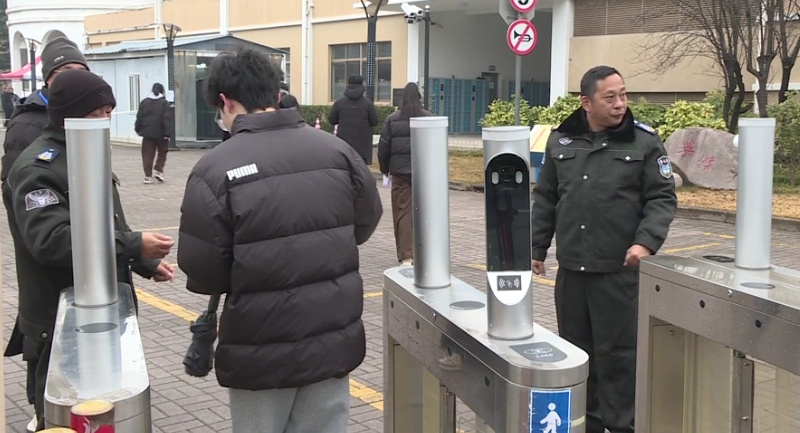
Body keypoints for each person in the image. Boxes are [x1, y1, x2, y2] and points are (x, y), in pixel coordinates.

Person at [177, 47, 382, 433]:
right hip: (331, 334)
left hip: (259, 344)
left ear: (225, 102)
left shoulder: (214, 169)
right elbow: (366, 221)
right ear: (276, 93)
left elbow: (203, 269)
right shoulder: (337, 151)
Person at [5, 69, 176, 431]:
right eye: (95, 113)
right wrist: (133, 244)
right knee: (63, 416)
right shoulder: (38, 169)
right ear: (68, 116)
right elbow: (52, 241)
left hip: (101, 310)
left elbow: (105, 222)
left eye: (108, 112)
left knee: (102, 412)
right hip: (60, 318)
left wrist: (143, 260)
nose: (104, 121)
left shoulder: (85, 152)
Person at [530, 65, 677, 433]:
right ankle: (587, 424)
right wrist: (536, 247)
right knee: (577, 353)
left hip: (618, 273)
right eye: (610, 97)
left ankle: (623, 425)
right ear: (587, 102)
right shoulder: (561, 141)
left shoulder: (643, 142)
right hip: (573, 273)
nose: (619, 103)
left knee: (619, 357)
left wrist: (646, 241)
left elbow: (661, 197)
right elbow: (546, 198)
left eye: (623, 95)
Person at [0, 36, 89, 433]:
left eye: (81, 72)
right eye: (65, 72)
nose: (73, 80)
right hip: (49, 270)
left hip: (81, 269)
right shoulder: (29, 128)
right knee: (49, 372)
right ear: (48, 78)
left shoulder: (84, 121)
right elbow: (29, 213)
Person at [377, 82, 431, 266]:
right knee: (424, 212)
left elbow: (383, 149)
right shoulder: (428, 118)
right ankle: (425, 252)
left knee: (403, 213)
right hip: (423, 173)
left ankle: (406, 255)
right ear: (420, 98)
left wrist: (385, 170)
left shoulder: (392, 119)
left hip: (400, 173)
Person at [328, 75, 379, 165]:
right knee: (361, 169)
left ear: (348, 85)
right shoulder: (367, 103)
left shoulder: (339, 102)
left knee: (346, 167)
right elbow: (374, 121)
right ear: (362, 85)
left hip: (344, 144)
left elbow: (332, 120)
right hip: (363, 145)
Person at [135, 82, 173, 184]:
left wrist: (138, 129)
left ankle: (148, 176)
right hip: (161, 132)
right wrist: (167, 133)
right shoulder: (164, 103)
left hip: (147, 133)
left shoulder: (144, 102)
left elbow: (139, 117)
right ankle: (159, 170)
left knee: (147, 154)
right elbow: (166, 118)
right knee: (163, 151)